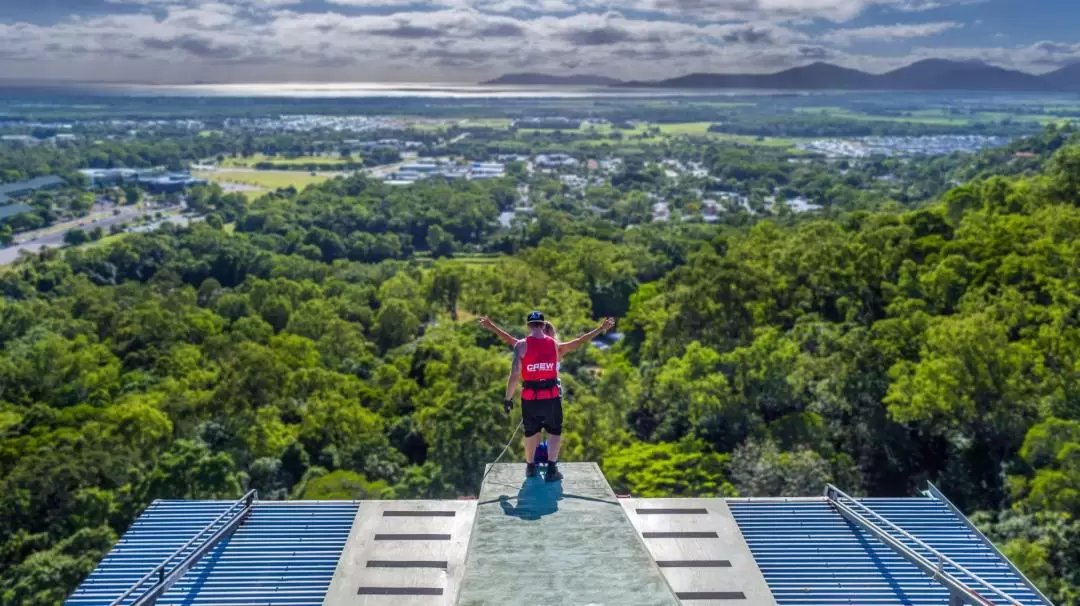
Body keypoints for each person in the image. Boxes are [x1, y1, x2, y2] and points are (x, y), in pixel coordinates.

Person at [493, 311, 616, 481]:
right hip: (551, 396)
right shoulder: (556, 346)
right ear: (543, 325)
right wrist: (600, 328)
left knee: (531, 432)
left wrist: (508, 398)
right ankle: (551, 469)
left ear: (528, 326)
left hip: (530, 397)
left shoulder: (521, 345)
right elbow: (581, 340)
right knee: (554, 431)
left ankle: (530, 467)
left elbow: (514, 374)